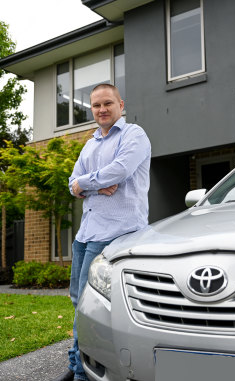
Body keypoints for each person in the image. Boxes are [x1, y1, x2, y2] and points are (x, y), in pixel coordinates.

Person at [54, 83, 151, 381]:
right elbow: (72, 183)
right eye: (96, 105)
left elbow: (120, 170)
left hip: (115, 232)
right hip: (86, 233)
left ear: (121, 104)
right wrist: (89, 184)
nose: (101, 109)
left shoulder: (134, 135)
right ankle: (78, 365)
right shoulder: (91, 143)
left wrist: (86, 183)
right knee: (78, 300)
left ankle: (78, 372)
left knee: (92, 306)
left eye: (107, 103)